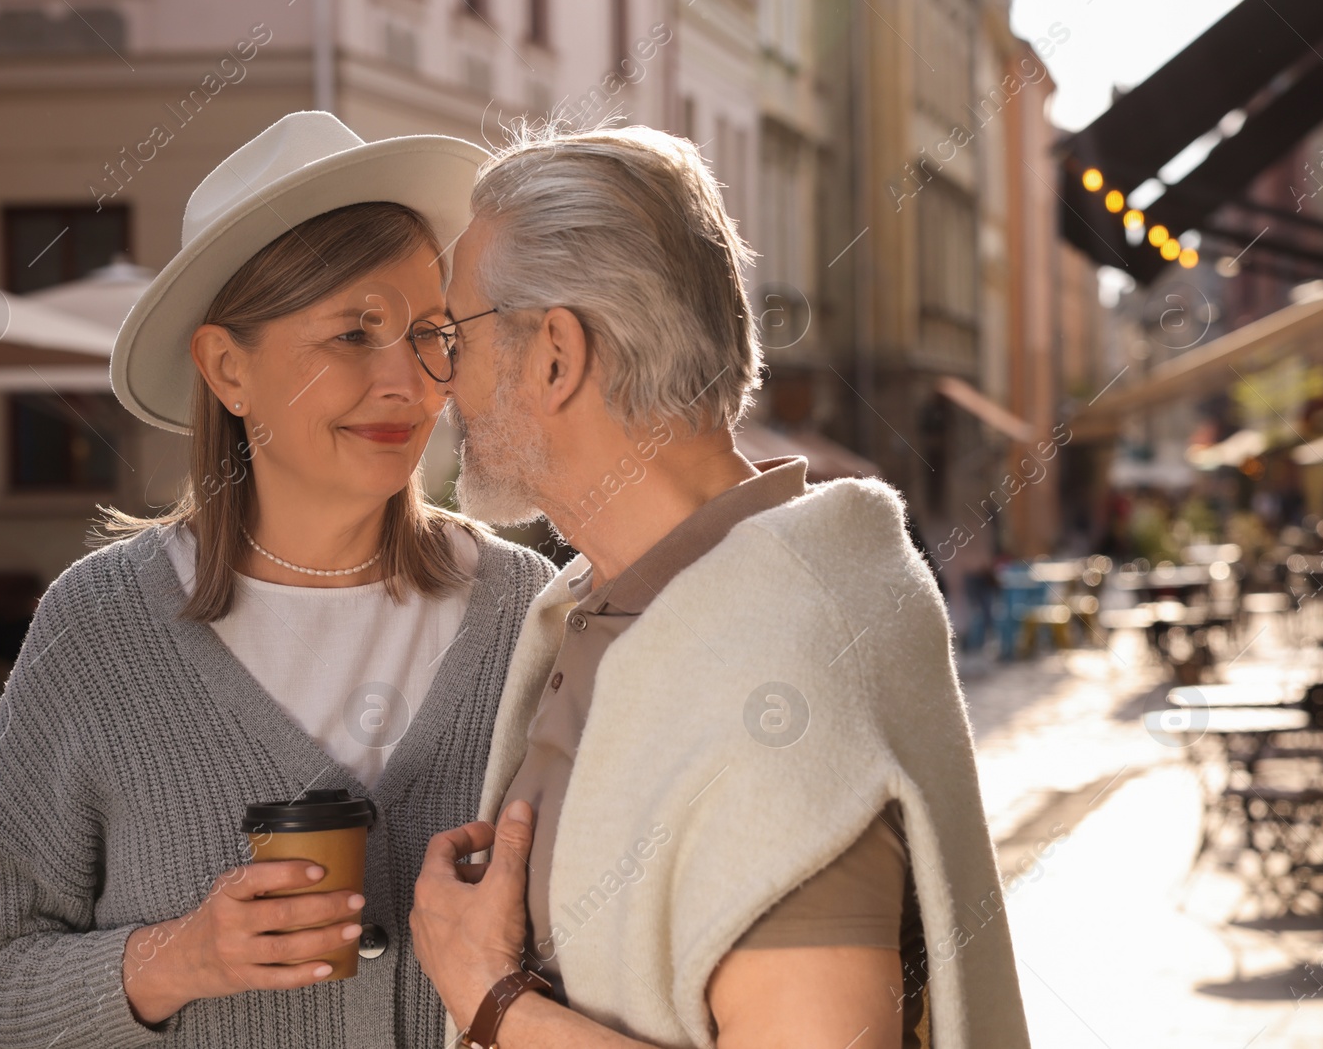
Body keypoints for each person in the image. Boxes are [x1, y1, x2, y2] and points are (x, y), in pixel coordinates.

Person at [0, 112, 554, 1048]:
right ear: (226, 367)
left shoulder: (524, 612)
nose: (410, 385)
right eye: (352, 334)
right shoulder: (97, 628)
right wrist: (176, 959)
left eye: (431, 334)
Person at [408, 125, 1030, 1049]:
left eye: (454, 335)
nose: (439, 377)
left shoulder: (777, 656)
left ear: (554, 357)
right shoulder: (611, 604)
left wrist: (492, 1001)